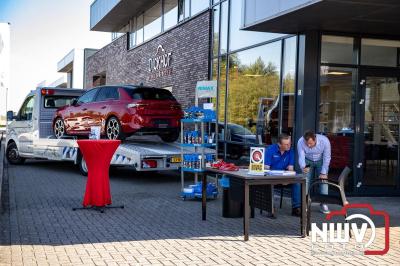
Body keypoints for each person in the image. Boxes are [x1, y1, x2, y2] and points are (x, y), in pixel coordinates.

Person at [265, 133, 301, 216]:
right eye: (286, 144)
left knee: (297, 183)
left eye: (289, 143)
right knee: (268, 183)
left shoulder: (290, 151)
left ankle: (296, 208)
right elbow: (266, 168)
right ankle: (270, 208)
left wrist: (288, 178)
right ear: (279, 144)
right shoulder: (270, 150)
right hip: (272, 177)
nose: (289, 146)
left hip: (284, 177)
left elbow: (291, 168)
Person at [297, 130, 331, 214]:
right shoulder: (300, 141)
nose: (308, 145)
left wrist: (323, 172)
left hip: (321, 160)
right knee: (305, 180)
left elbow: (327, 157)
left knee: (323, 181)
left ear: (315, 139)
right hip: (307, 160)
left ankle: (324, 204)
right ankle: (304, 204)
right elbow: (301, 156)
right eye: (306, 143)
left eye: (310, 143)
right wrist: (303, 166)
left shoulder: (325, 141)